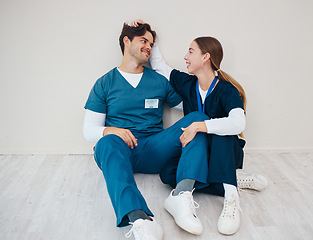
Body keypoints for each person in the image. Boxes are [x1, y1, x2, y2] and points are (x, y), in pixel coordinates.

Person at [131, 20, 268, 236]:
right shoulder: (187, 83)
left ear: (206, 57)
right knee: (168, 174)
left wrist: (201, 126)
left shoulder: (227, 90)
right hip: (200, 153)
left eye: (191, 51)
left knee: (222, 131)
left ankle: (231, 197)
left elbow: (238, 123)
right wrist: (150, 38)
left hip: (225, 150)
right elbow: (160, 68)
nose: (186, 56)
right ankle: (227, 178)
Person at [83, 22, 211, 240]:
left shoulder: (159, 80)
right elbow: (89, 130)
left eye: (151, 44)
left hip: (154, 148)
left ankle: (181, 195)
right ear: (126, 41)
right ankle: (139, 218)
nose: (148, 47)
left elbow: (190, 105)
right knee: (105, 141)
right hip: (121, 151)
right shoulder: (104, 83)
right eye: (143, 41)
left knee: (198, 119)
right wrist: (112, 131)